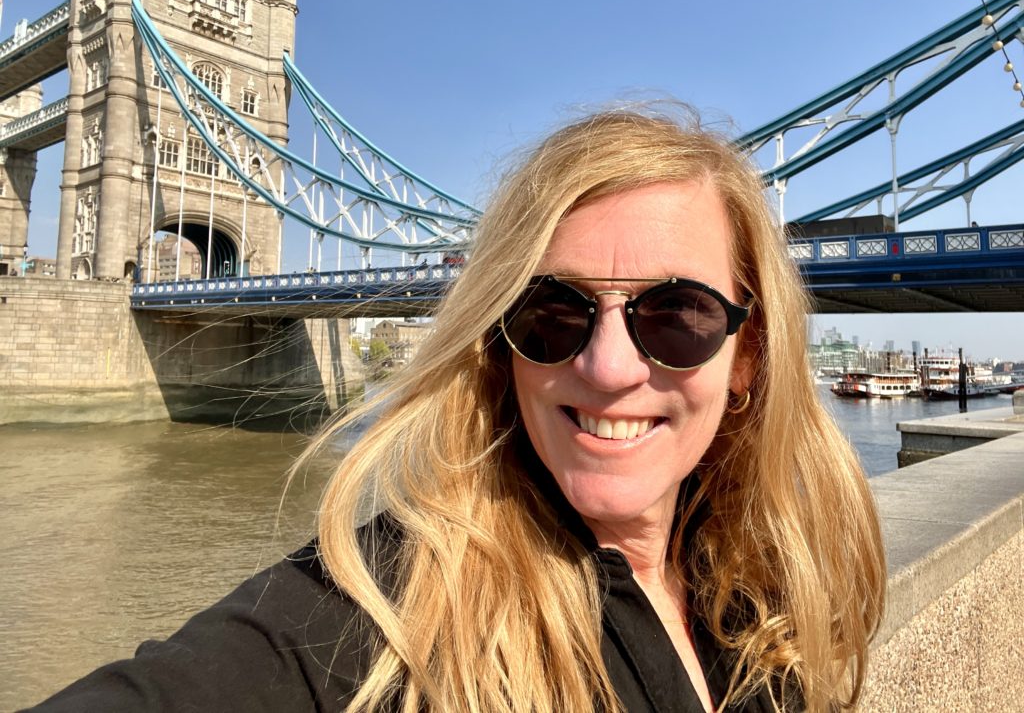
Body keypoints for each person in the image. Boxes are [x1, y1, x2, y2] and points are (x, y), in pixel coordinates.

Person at [27, 108, 885, 712]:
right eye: (552, 310)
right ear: (498, 341)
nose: (610, 364)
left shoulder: (771, 582)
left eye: (678, 315)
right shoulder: (381, 611)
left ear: (747, 356)